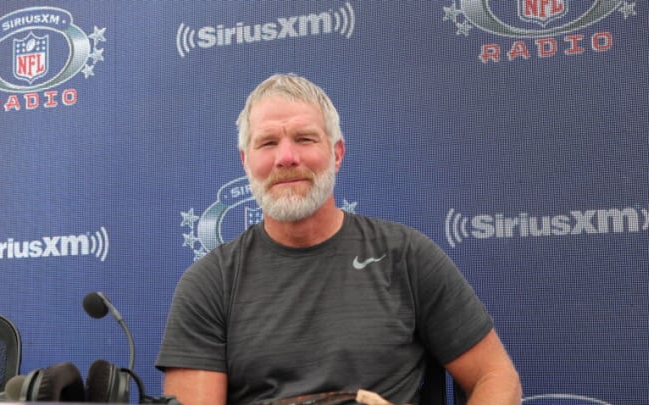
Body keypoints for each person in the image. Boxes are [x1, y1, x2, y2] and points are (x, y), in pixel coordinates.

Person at [156, 73, 522, 404]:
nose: (286, 157)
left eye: (304, 138)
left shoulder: (406, 256)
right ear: (245, 161)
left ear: (336, 154)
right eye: (268, 143)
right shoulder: (209, 284)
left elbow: (495, 377)